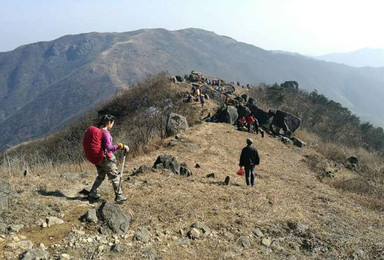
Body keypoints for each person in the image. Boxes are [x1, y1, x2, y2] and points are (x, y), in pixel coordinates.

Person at [89, 114, 130, 203]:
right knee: (115, 176)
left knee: (101, 176)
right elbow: (109, 148)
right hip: (106, 159)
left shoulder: (99, 132)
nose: (112, 125)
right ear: (109, 123)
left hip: (98, 158)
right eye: (112, 123)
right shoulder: (106, 134)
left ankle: (92, 192)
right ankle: (119, 196)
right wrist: (121, 146)